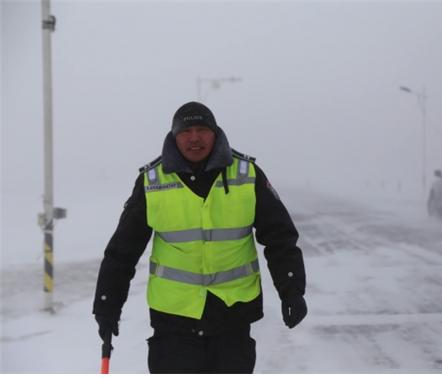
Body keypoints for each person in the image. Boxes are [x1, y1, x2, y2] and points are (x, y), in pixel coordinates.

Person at [92, 101, 307, 373]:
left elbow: (280, 238)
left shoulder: (247, 175)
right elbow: (122, 252)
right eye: (186, 131)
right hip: (173, 324)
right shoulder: (152, 182)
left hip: (232, 318)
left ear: (215, 133)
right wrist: (107, 306)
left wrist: (291, 290)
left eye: (202, 129)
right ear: (174, 137)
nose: (194, 138)